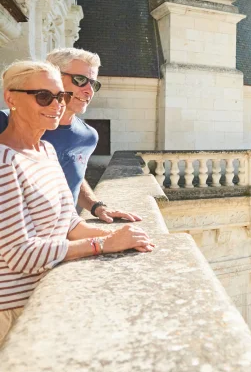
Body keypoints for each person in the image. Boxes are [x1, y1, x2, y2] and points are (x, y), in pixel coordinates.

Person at [0, 61, 154, 347]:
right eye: (43, 96)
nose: (57, 104)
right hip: (12, 312)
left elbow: (68, 222)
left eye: (61, 96)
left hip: (43, 297)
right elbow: (20, 254)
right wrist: (103, 245)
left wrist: (118, 235)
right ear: (11, 98)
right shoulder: (4, 162)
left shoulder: (45, 150)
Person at [0, 47, 140, 223]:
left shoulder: (88, 136)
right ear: (52, 77)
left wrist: (97, 207)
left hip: (63, 237)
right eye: (80, 80)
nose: (89, 91)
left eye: (93, 84)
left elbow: (73, 177)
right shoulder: (5, 122)